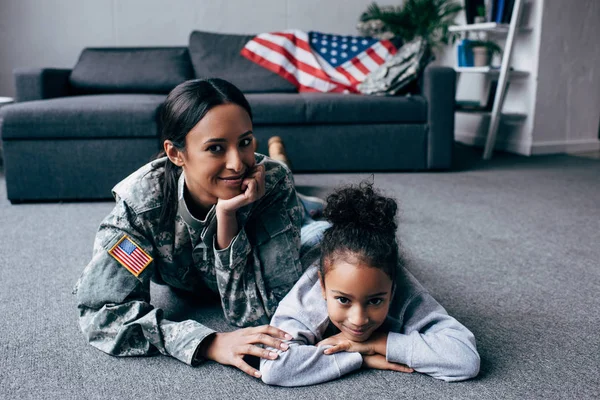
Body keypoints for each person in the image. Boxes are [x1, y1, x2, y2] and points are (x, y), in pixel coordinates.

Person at [73, 78, 328, 379]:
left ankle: (294, 183)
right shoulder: (141, 209)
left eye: (245, 142)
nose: (237, 163)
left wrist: (227, 223)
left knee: (318, 225)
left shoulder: (270, 182)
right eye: (216, 148)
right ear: (175, 153)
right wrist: (207, 342)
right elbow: (101, 314)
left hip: (283, 205)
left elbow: (266, 312)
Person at [260, 182, 480, 386]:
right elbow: (275, 367)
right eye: (343, 299)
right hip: (309, 240)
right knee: (299, 210)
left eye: (375, 300)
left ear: (393, 289)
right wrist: (360, 358)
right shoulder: (308, 295)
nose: (358, 320)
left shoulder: (404, 291)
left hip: (353, 241)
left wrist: (375, 344)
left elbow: (464, 359)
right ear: (323, 287)